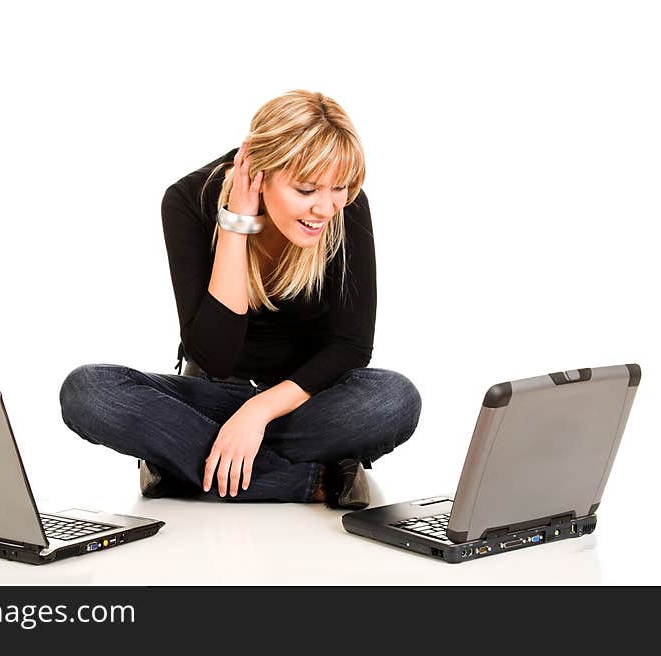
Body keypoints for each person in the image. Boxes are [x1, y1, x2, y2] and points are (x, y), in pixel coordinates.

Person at [59, 90, 421, 509]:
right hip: (212, 393)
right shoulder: (187, 201)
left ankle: (186, 463)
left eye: (339, 187)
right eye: (306, 189)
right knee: (88, 391)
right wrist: (236, 224)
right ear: (261, 172)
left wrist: (258, 413)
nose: (325, 207)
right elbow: (214, 358)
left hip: (307, 399)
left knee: (395, 399)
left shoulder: (346, 209)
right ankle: (315, 479)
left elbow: (351, 346)